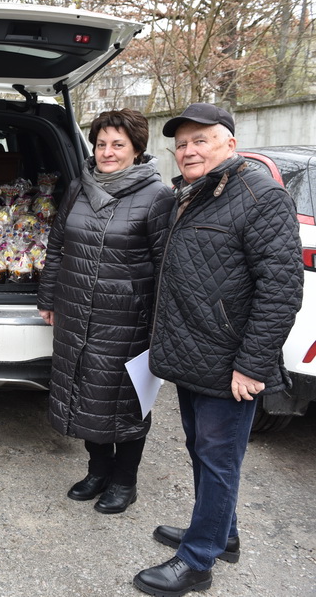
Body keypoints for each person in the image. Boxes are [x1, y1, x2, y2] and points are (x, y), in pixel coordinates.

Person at [134, 104, 304, 596]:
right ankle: (221, 534)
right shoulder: (192, 195)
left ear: (230, 142)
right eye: (182, 144)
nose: (189, 150)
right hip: (194, 353)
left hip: (230, 363)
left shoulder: (260, 196)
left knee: (218, 459)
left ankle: (197, 561)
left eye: (201, 140)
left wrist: (252, 365)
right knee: (204, 450)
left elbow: (281, 289)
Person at [38, 109, 175, 514]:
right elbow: (57, 246)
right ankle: (98, 471)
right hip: (74, 310)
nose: (107, 152)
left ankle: (125, 481)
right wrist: (48, 298)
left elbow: (165, 266)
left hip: (128, 320)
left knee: (126, 402)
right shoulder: (79, 188)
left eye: (118, 144)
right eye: (101, 144)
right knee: (84, 392)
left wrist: (159, 325)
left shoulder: (157, 196)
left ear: (137, 149)